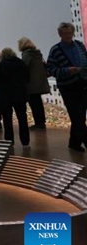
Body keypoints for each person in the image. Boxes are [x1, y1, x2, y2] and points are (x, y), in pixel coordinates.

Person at [46, 22, 87, 152]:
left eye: (69, 33)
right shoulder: (55, 49)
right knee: (77, 116)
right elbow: (51, 70)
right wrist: (67, 71)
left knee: (80, 116)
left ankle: (74, 143)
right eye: (64, 33)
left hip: (83, 84)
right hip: (68, 87)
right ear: (60, 34)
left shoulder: (80, 46)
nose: (68, 35)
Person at [0, 47, 30, 147]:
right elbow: (28, 77)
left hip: (5, 96)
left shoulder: (1, 65)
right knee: (22, 118)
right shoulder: (21, 63)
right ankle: (25, 141)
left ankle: (9, 141)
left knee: (7, 119)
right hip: (20, 95)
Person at [18, 37, 51, 130]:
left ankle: (38, 124)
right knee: (38, 104)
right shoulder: (37, 53)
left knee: (34, 104)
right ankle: (41, 123)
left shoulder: (27, 55)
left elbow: (23, 68)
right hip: (40, 82)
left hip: (31, 83)